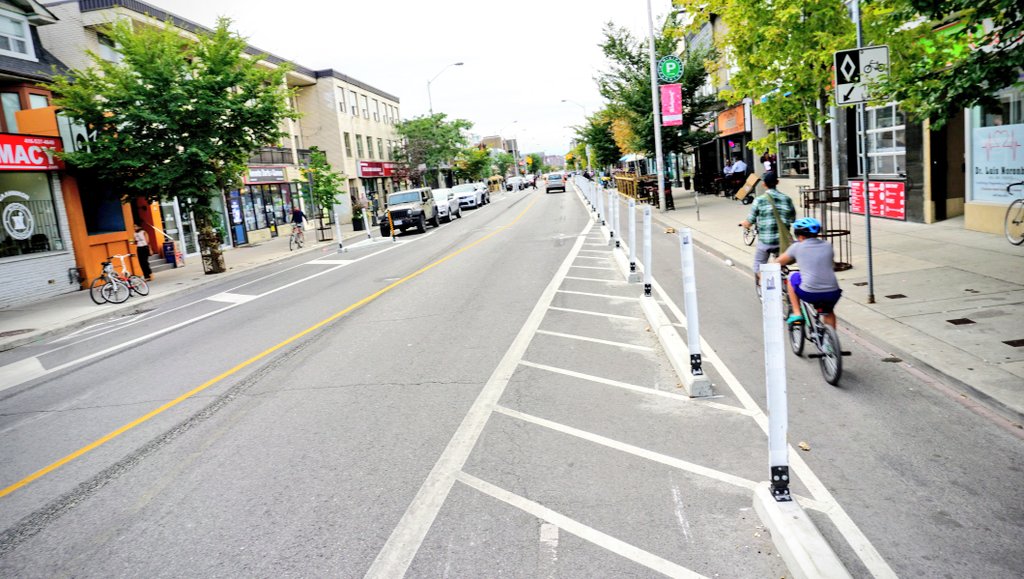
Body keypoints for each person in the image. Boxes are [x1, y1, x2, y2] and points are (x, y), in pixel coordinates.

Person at [778, 217, 842, 328]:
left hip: (810, 292)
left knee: (792, 277)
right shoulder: (827, 245)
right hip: (833, 292)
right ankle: (830, 342)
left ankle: (797, 313)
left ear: (800, 236)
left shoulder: (797, 247)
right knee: (828, 311)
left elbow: (778, 262)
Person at [738, 172, 795, 285]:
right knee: (781, 263)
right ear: (777, 183)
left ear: (764, 184)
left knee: (758, 266)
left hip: (766, 242)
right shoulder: (787, 199)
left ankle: (766, 288)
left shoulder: (759, 200)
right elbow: (792, 219)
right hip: (784, 242)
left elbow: (749, 222)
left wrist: (743, 223)